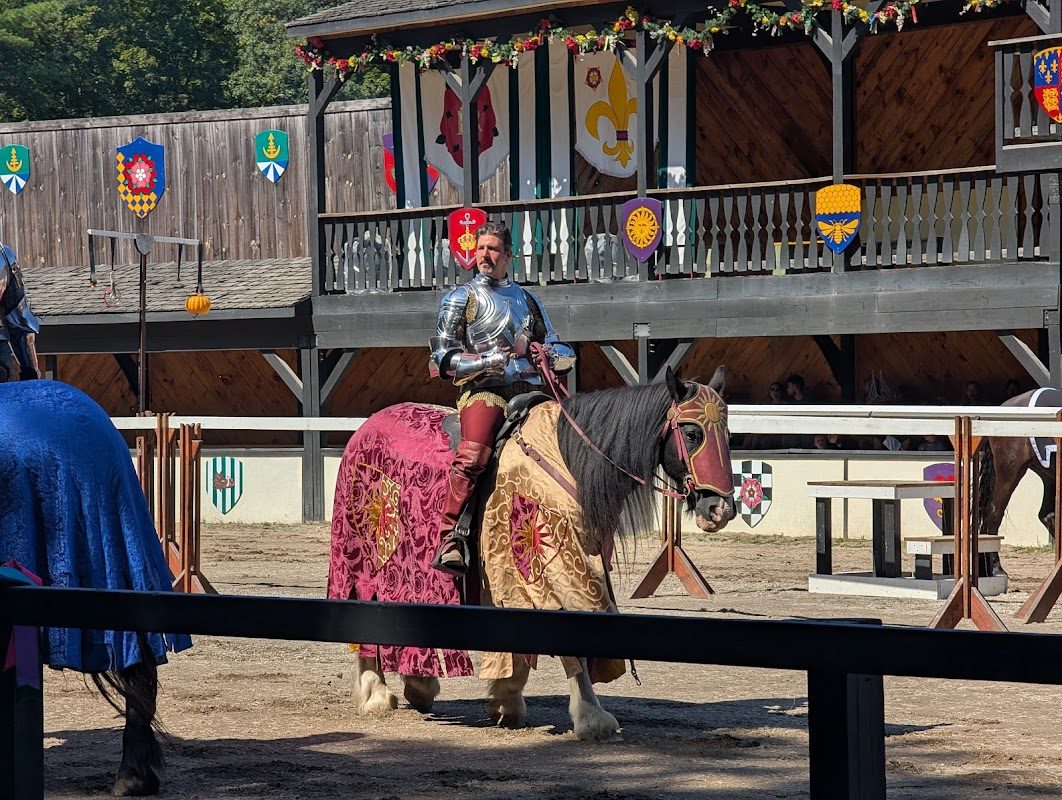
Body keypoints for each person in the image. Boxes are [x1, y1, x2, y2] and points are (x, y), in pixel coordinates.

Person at [428, 222, 575, 575]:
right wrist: (486, 362)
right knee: (473, 455)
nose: (484, 255)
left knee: (569, 442)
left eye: (492, 249)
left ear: (508, 256)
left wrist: (555, 355)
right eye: (480, 249)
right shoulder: (461, 298)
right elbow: (442, 358)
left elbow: (554, 341)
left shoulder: (529, 299)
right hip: (483, 390)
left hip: (529, 390)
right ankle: (452, 536)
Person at [0, 243, 40, 383]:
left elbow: (19, 318)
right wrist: (31, 374)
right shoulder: (4, 254)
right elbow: (19, 320)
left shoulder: (4, 255)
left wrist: (30, 373)